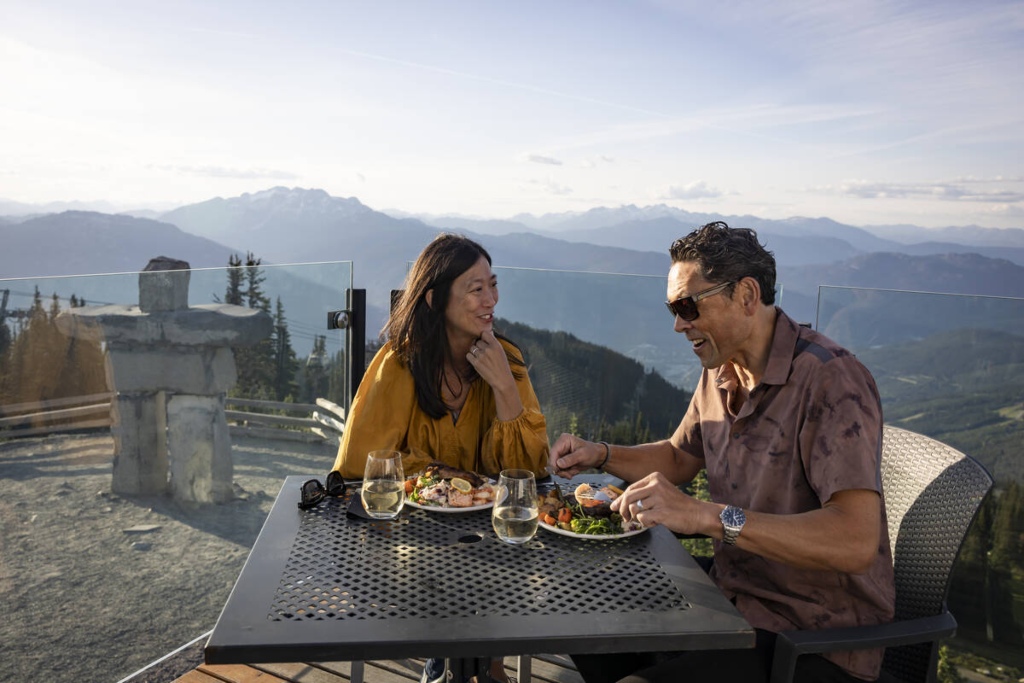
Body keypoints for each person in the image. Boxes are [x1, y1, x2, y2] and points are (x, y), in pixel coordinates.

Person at [549, 222, 895, 683]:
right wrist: (600, 454)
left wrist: (707, 517)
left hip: (812, 638)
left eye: (688, 306)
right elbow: (678, 459)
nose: (677, 324)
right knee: (582, 611)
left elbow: (854, 542)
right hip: (731, 599)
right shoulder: (722, 367)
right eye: (673, 308)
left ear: (747, 295)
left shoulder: (831, 380)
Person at [332, 232, 549, 683]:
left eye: (494, 284)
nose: (491, 299)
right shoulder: (399, 364)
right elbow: (362, 467)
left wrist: (505, 390)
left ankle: (474, 665)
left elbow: (532, 472)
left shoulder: (504, 359)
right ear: (434, 298)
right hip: (413, 538)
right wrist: (442, 475)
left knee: (502, 565)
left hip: (492, 537)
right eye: (476, 289)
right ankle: (461, 663)